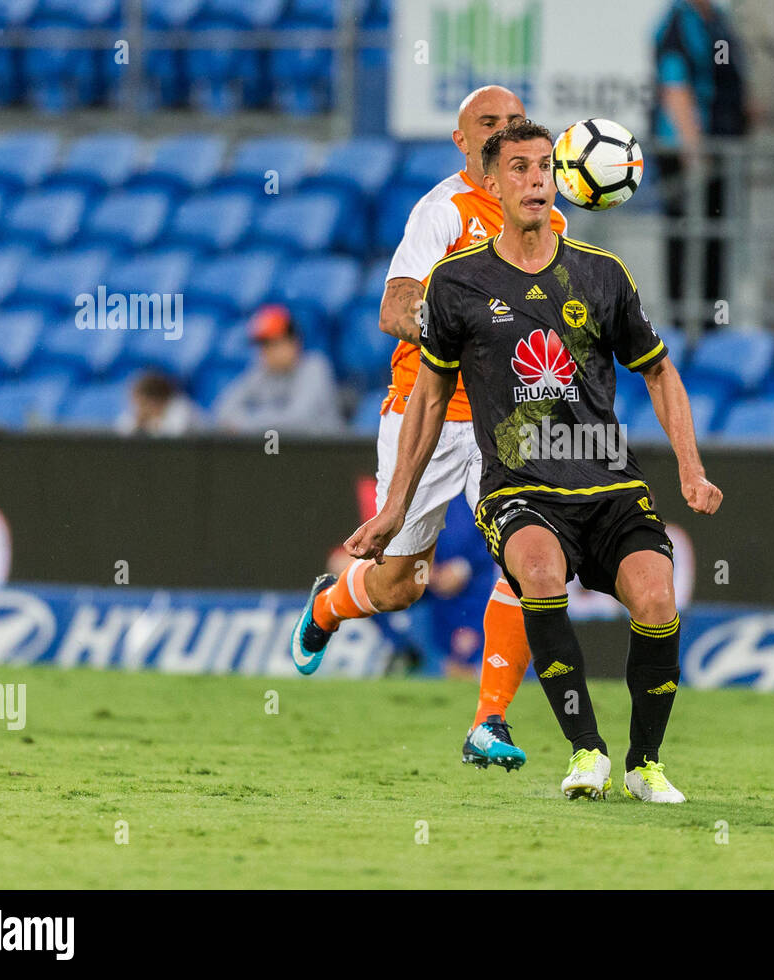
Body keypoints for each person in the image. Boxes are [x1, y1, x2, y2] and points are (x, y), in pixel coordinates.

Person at [346, 119, 723, 803]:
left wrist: (691, 470)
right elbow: (428, 403)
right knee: (541, 578)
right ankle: (586, 752)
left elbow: (661, 373)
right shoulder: (456, 285)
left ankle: (645, 763)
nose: (535, 180)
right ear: (492, 183)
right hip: (519, 486)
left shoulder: (602, 275)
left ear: (561, 180)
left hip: (607, 478)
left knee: (658, 597)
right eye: (518, 168)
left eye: (545, 167)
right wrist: (395, 506)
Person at [288, 85, 567, 773]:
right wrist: (455, 324)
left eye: (513, 124)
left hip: (506, 423)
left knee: (536, 564)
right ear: (465, 142)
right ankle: (329, 608)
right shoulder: (443, 212)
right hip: (429, 415)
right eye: (487, 125)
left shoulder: (547, 221)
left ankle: (488, 721)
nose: (502, 135)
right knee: (399, 586)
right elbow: (394, 306)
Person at [651, 0, 752, 332]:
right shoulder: (678, 23)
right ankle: (680, 332)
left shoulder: (718, 20)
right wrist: (693, 148)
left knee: (715, 243)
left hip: (721, 154)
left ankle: (714, 329)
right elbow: (674, 85)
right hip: (689, 155)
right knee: (684, 240)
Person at [213, 305, 343, 435]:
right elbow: (222, 411)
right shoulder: (261, 372)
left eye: (272, 344)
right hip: (282, 451)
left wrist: (246, 424)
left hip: (323, 451)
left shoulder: (314, 367)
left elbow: (299, 419)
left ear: (293, 342)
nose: (265, 352)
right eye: (262, 345)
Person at [116, 371, 202, 437]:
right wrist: (136, 425)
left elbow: (175, 436)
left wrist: (149, 426)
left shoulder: (182, 410)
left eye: (141, 403)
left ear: (154, 400)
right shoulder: (139, 416)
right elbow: (120, 433)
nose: (137, 407)